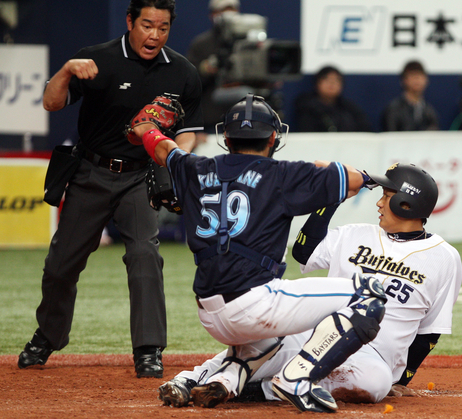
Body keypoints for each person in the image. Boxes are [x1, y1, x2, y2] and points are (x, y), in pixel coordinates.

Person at [130, 94, 387, 412]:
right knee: (369, 295)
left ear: (226, 137)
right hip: (253, 303)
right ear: (274, 137)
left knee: (271, 340)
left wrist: (145, 129)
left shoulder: (194, 167)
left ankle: (200, 380)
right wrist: (356, 174)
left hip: (209, 311)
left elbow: (163, 149)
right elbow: (348, 180)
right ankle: (297, 378)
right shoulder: (282, 174)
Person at [158, 162, 462, 405]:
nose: (379, 203)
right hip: (319, 335)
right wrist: (329, 197)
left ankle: (245, 388)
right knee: (270, 343)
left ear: (406, 203)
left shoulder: (444, 257)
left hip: (374, 358)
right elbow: (304, 252)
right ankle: (190, 379)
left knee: (376, 384)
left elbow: (430, 331)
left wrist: (402, 379)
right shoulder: (355, 233)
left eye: (386, 195)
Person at [17, 0, 203, 379]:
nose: (154, 35)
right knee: (60, 265)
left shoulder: (183, 72)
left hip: (140, 176)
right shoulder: (96, 59)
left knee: (144, 257)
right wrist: (68, 70)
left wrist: (173, 157)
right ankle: (48, 336)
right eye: (147, 25)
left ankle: (149, 350)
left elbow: (188, 134)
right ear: (130, 22)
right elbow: (51, 102)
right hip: (92, 173)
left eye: (163, 27)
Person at [186, 0, 240, 143]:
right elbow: (188, 85)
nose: (229, 15)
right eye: (223, 10)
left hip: (243, 120)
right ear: (213, 15)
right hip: (211, 123)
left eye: (232, 10)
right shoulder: (201, 44)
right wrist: (205, 69)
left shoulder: (247, 44)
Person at [295, 65, 372, 132]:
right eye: (327, 79)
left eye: (336, 80)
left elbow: (364, 129)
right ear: (317, 83)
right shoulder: (307, 108)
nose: (332, 83)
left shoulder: (349, 109)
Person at [382, 60, 439, 131]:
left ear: (426, 80)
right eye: (412, 75)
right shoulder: (393, 110)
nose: (417, 79)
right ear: (404, 80)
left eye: (420, 75)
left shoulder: (429, 111)